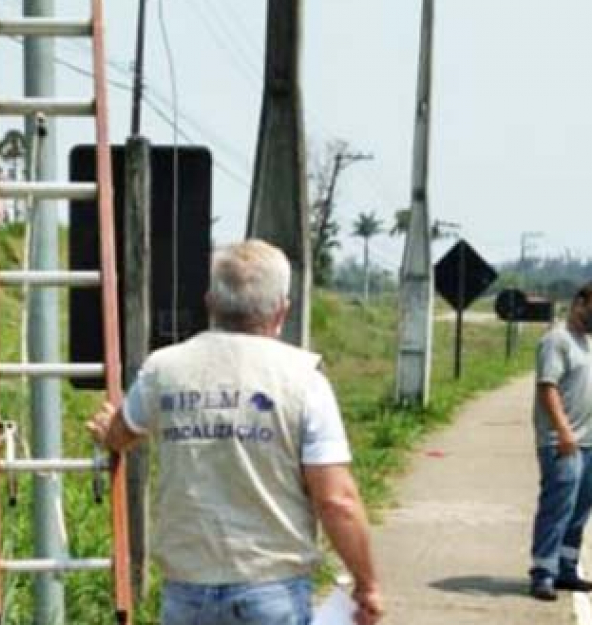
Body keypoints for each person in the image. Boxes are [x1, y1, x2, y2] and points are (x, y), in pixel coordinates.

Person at [86, 239, 383, 625]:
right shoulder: (304, 380)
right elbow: (336, 501)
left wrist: (109, 432)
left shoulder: (164, 369)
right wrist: (366, 583)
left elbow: (124, 431)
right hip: (272, 591)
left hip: (186, 591)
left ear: (210, 302)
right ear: (281, 310)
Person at [528, 282, 592, 601]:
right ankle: (543, 572)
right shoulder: (557, 340)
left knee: (581, 508)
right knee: (558, 506)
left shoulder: (588, 345)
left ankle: (566, 566)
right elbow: (547, 388)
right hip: (561, 440)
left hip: (589, 443)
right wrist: (563, 432)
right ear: (578, 304)